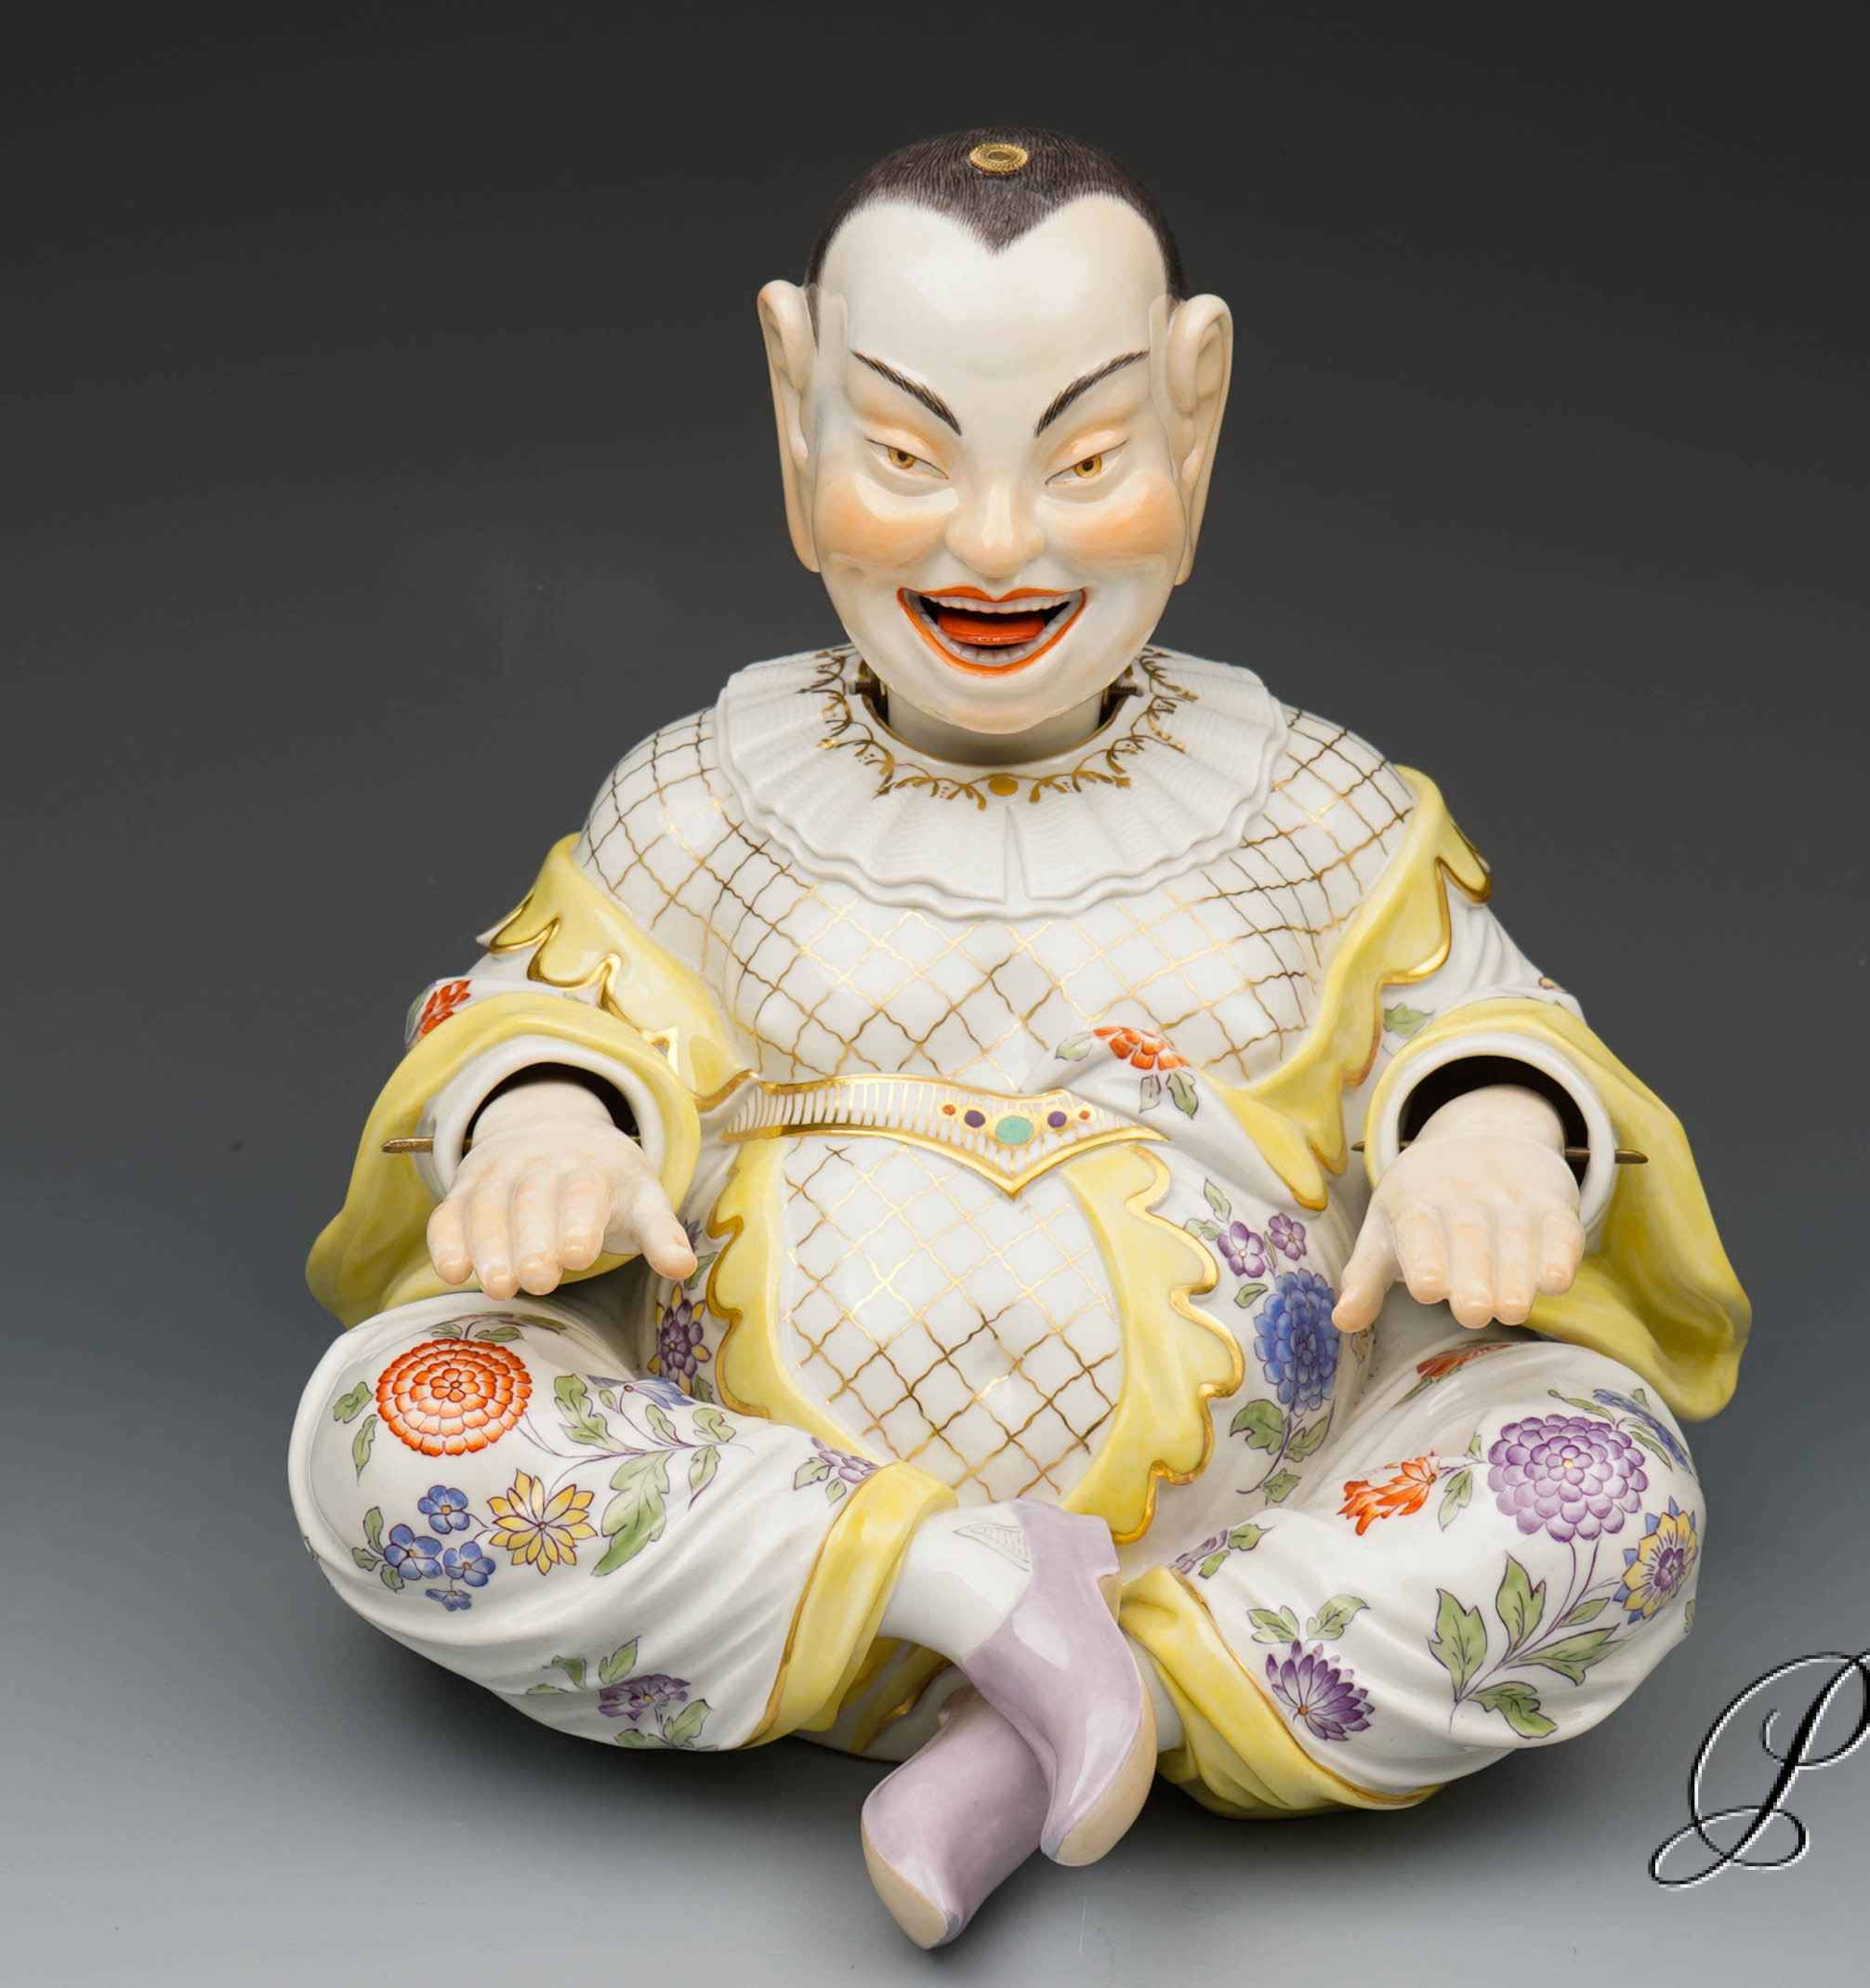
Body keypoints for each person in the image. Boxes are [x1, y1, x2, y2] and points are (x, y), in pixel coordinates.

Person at [290, 128, 1746, 1948]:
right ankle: (961, 1591)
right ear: (793, 410)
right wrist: (545, 1120)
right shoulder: (702, 798)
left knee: (1600, 1491)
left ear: (1196, 420)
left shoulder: (1314, 807)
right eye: (905, 457)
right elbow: (548, 1003)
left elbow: (1488, 1016)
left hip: (1254, 1522)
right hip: (768, 1516)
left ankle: (1070, 1701)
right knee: (393, 1429)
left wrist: (1488, 1134)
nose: (993, 543)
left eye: (1085, 458)